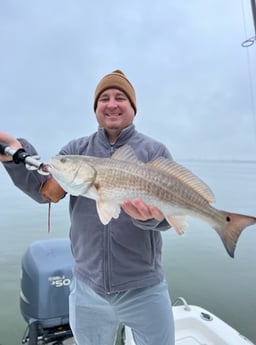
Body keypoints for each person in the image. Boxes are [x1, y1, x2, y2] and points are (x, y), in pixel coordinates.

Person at [0, 70, 175, 345]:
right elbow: (46, 190)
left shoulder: (155, 152)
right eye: (104, 98)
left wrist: (150, 220)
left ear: (133, 107)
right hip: (87, 288)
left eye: (121, 97)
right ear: (96, 108)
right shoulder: (76, 150)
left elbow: (168, 216)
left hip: (145, 287)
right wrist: (15, 155)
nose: (112, 103)